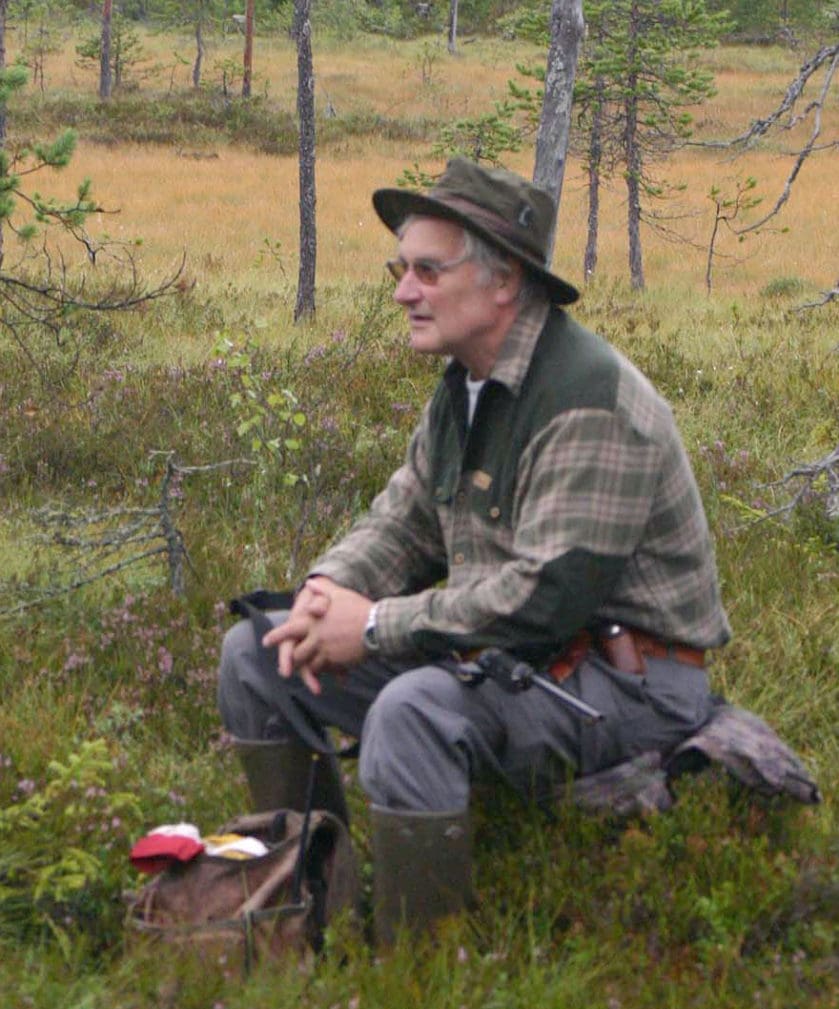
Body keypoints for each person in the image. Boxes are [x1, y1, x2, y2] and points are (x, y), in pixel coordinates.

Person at [218, 157, 731, 944]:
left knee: (410, 711)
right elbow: (405, 518)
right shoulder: (466, 384)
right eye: (401, 268)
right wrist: (327, 594)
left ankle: (418, 973)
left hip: (631, 688)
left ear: (503, 283)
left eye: (427, 269)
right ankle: (305, 911)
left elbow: (543, 599)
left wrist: (378, 625)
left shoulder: (590, 401)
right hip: (515, 662)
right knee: (259, 653)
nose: (402, 290)